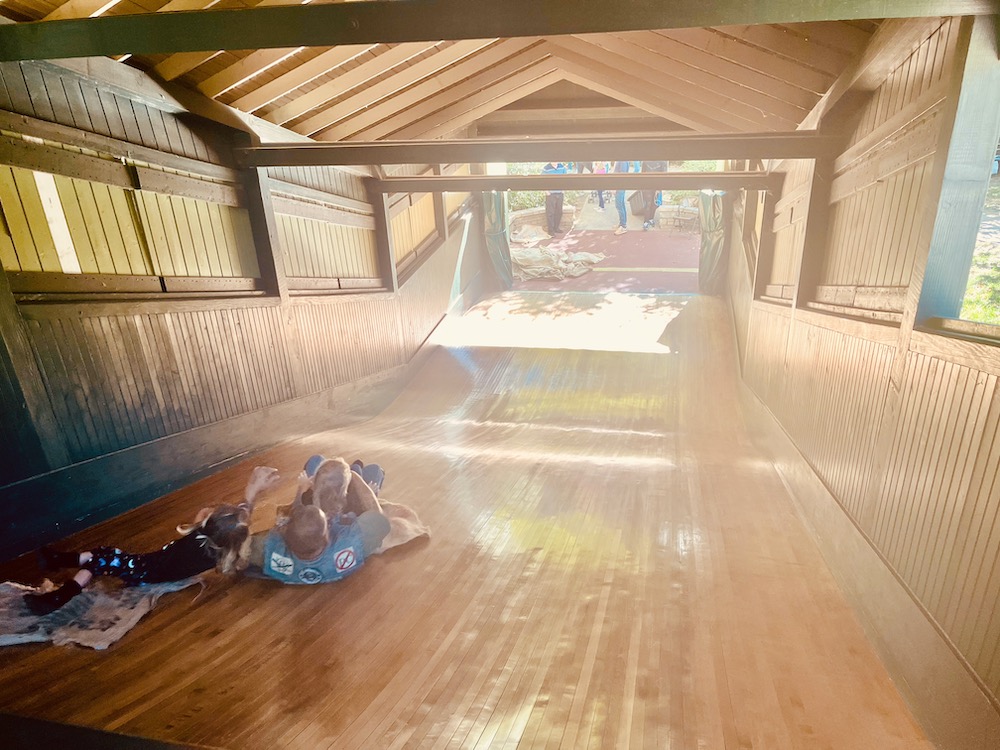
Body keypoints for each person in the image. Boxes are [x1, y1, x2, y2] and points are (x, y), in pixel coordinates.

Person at [22, 466, 281, 616]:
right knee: (103, 554)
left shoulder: (197, 541)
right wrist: (253, 492)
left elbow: (236, 517)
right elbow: (238, 521)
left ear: (208, 525)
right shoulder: (217, 547)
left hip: (147, 570)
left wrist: (253, 487)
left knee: (102, 558)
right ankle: (56, 560)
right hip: (152, 569)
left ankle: (60, 597)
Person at [245, 456, 390, 585]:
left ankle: (354, 468)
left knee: (316, 461)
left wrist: (250, 496)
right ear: (328, 535)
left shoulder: (270, 553)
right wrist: (355, 477)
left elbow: (234, 541)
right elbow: (379, 520)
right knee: (374, 470)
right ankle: (356, 468)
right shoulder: (350, 544)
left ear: (284, 534)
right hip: (347, 502)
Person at [541, 161, 568, 235]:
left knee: (559, 211)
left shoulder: (561, 167)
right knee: (550, 213)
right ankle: (551, 230)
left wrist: (563, 189)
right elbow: (542, 181)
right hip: (551, 194)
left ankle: (556, 228)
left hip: (560, 193)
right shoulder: (546, 169)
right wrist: (546, 191)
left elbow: (565, 178)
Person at [640, 160, 667, 230]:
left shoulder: (662, 162)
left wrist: (659, 188)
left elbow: (664, 176)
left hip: (656, 185)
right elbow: (642, 174)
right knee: (648, 204)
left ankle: (650, 219)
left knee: (655, 204)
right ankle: (646, 221)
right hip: (647, 185)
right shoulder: (645, 161)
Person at [613, 160, 631, 235]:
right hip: (620, 186)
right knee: (621, 204)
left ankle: (623, 226)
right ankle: (622, 224)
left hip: (620, 186)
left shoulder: (622, 161)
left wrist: (615, 187)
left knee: (619, 205)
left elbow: (621, 176)